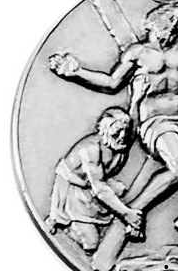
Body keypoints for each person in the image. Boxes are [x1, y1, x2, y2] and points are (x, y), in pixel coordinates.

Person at [48, 0, 178, 249]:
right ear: (156, 25)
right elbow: (111, 83)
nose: (177, 31)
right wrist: (76, 73)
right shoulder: (138, 53)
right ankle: (134, 212)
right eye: (173, 25)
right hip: (155, 122)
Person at [45, 107, 142, 253]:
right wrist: (126, 214)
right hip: (73, 192)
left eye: (125, 131)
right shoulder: (91, 150)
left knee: (122, 191)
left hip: (95, 186)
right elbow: (99, 188)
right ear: (104, 131)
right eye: (117, 132)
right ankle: (63, 226)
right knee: (91, 243)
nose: (123, 136)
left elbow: (134, 120)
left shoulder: (121, 143)